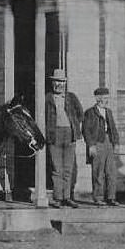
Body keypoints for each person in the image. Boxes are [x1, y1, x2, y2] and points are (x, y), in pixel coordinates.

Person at [44, 68, 83, 208]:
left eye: (61, 82)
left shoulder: (71, 97)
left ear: (65, 83)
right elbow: (40, 117)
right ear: (52, 83)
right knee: (57, 168)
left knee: (68, 168)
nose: (58, 85)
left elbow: (80, 113)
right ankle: (58, 198)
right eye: (56, 82)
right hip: (54, 135)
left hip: (70, 135)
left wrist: (73, 126)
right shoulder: (47, 98)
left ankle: (67, 197)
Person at [82, 87, 120, 206]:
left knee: (111, 171)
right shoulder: (90, 112)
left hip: (108, 142)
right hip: (97, 142)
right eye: (104, 98)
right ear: (97, 98)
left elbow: (113, 128)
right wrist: (91, 145)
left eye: (107, 98)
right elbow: (86, 130)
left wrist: (116, 143)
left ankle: (111, 197)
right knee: (98, 171)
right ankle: (98, 197)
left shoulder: (108, 112)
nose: (106, 100)